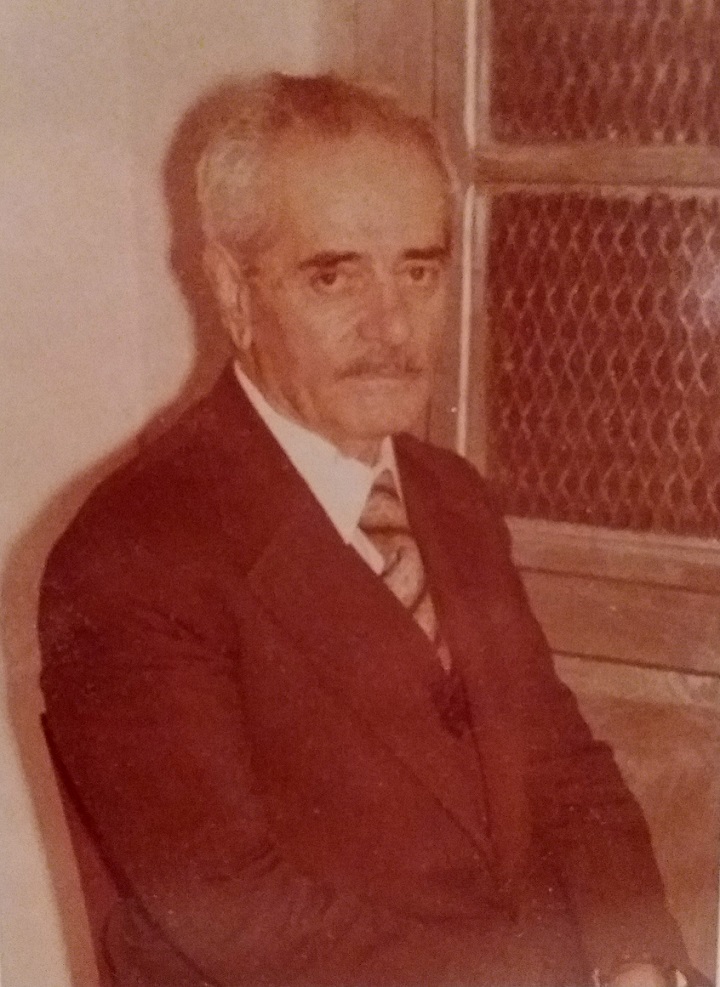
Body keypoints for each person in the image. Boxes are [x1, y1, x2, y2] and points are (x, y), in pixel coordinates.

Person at [38, 73, 703, 987]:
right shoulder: (130, 555)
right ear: (233, 290)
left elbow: (565, 770)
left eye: (418, 270)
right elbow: (242, 915)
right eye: (334, 274)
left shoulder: (452, 498)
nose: (391, 325)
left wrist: (636, 956)